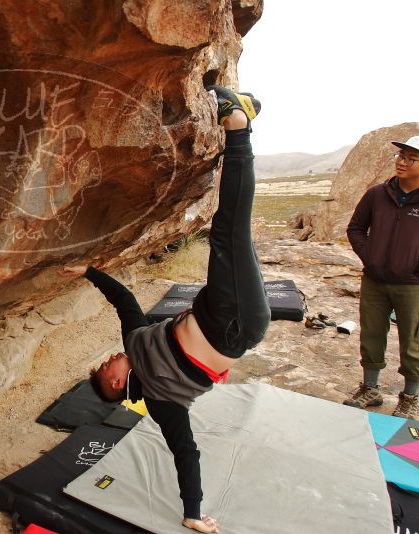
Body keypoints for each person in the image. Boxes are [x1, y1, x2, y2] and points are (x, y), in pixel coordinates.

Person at [58, 85, 270, 534]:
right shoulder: (159, 400)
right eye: (106, 365)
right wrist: (192, 511)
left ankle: (244, 121)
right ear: (115, 381)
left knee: (231, 235)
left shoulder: (135, 341)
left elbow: (124, 300)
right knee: (231, 231)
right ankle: (240, 129)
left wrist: (87, 270)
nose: (109, 356)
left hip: (216, 308)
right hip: (232, 325)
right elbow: (184, 450)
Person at [343, 134, 419, 421]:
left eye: (411, 158)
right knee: (372, 334)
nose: (402, 161)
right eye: (401, 156)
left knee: (413, 341)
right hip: (374, 280)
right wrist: (370, 258)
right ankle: (370, 389)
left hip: (413, 285)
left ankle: (410, 397)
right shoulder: (377, 194)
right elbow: (356, 228)